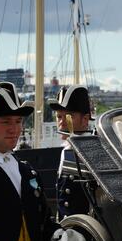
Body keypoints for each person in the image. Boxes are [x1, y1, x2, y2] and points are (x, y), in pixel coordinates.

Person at [0, 82, 86, 241]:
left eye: (18, 121)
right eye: (5, 121)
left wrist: (60, 238)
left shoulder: (27, 172)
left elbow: (42, 227)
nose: (14, 129)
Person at [48, 85, 94, 222]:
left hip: (82, 232)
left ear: (85, 119)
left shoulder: (89, 149)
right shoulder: (69, 148)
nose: (62, 122)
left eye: (69, 116)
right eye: (59, 116)